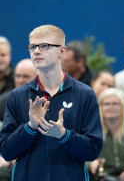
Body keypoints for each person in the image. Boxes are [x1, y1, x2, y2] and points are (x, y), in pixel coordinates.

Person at [0, 25, 102, 181]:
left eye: (44, 46)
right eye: (32, 46)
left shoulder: (84, 94)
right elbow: (6, 152)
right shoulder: (17, 96)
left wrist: (64, 135)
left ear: (62, 51)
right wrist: (30, 127)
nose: (36, 51)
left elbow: (93, 150)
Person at [89, 88, 124, 181]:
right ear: (100, 107)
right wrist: (90, 164)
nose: (110, 107)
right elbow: (80, 156)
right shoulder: (92, 131)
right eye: (106, 104)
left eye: (115, 103)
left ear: (123, 106)